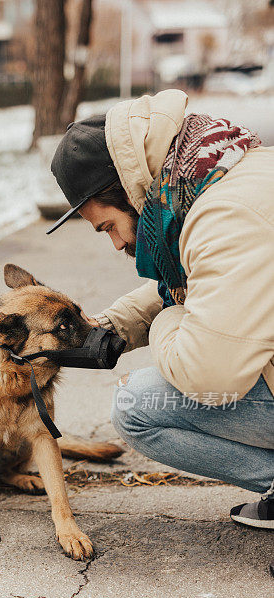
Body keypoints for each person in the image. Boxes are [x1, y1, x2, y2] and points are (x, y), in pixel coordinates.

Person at [47, 90, 274, 530]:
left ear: (128, 189)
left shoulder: (224, 217)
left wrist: (170, 317)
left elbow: (209, 374)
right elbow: (212, 280)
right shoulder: (221, 169)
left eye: (108, 226)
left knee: (136, 405)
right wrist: (113, 327)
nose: (115, 243)